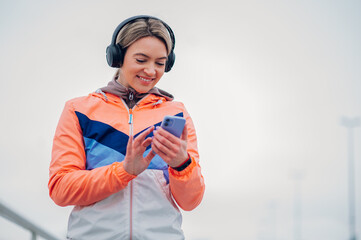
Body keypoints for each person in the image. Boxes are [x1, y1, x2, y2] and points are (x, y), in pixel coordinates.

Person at [48, 15, 205, 240]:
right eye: (141, 60)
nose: (151, 71)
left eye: (160, 63)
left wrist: (182, 164)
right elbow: (61, 190)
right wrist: (125, 171)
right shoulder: (78, 110)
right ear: (117, 57)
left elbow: (191, 201)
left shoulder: (177, 113)